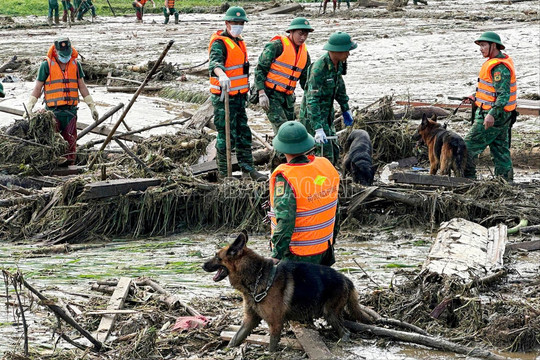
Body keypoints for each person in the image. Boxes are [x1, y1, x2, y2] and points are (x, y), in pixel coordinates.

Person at [268, 121, 340, 266]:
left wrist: (277, 254)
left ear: (282, 148)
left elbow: (286, 219)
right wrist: (331, 242)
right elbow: (335, 210)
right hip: (324, 248)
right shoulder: (325, 166)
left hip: (298, 255)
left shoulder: (286, 177)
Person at [208, 6, 267, 181]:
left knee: (244, 133)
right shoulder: (219, 43)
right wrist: (222, 75)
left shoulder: (239, 41)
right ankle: (224, 174)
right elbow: (215, 63)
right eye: (235, 23)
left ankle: (248, 170)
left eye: (241, 23)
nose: (239, 26)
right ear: (227, 23)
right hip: (224, 97)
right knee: (226, 135)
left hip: (240, 97)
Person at [24, 37, 99, 165]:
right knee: (52, 144)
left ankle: (70, 167)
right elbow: (38, 88)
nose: (66, 57)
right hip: (53, 113)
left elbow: (82, 86)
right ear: (56, 52)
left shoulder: (76, 64)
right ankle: (53, 167)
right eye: (63, 55)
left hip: (70, 113)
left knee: (70, 143)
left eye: (68, 54)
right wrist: (29, 106)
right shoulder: (46, 65)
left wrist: (92, 106)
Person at [254, 17, 313, 168]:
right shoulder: (276, 46)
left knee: (291, 132)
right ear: (291, 32)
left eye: (306, 34)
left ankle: (279, 168)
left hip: (287, 98)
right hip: (270, 96)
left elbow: (306, 80)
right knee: (284, 133)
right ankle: (279, 169)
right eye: (300, 33)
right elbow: (260, 69)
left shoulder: (304, 54)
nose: (303, 37)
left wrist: (313, 97)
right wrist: (261, 93)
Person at [463, 31, 517, 181]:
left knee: (467, 148)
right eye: (480, 45)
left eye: (483, 45)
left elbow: (503, 95)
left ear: (494, 46)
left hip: (492, 115)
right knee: (500, 150)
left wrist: (491, 114)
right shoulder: (498, 61)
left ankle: (467, 181)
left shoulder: (499, 67)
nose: (481, 49)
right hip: (503, 115)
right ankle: (506, 183)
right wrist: (475, 97)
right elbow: (493, 90)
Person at [299, 31, 357, 166]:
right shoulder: (319, 69)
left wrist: (345, 108)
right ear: (336, 51)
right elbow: (311, 100)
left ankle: (330, 177)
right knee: (322, 153)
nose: (348, 54)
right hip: (314, 116)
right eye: (346, 51)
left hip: (327, 114)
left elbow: (339, 86)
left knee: (335, 149)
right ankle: (319, 181)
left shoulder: (340, 62)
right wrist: (318, 129)